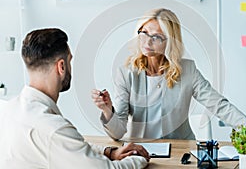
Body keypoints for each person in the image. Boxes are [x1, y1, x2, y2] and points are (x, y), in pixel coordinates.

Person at [92, 8, 246, 150]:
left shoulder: (187, 70)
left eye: (156, 37)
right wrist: (107, 110)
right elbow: (118, 133)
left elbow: (220, 106)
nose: (147, 41)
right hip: (140, 152)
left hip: (180, 151)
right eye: (143, 32)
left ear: (169, 41)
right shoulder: (126, 72)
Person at [0, 28, 150, 169]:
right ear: (61, 67)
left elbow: (71, 146)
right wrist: (141, 158)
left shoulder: (8, 109)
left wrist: (109, 152)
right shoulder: (53, 128)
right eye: (70, 61)